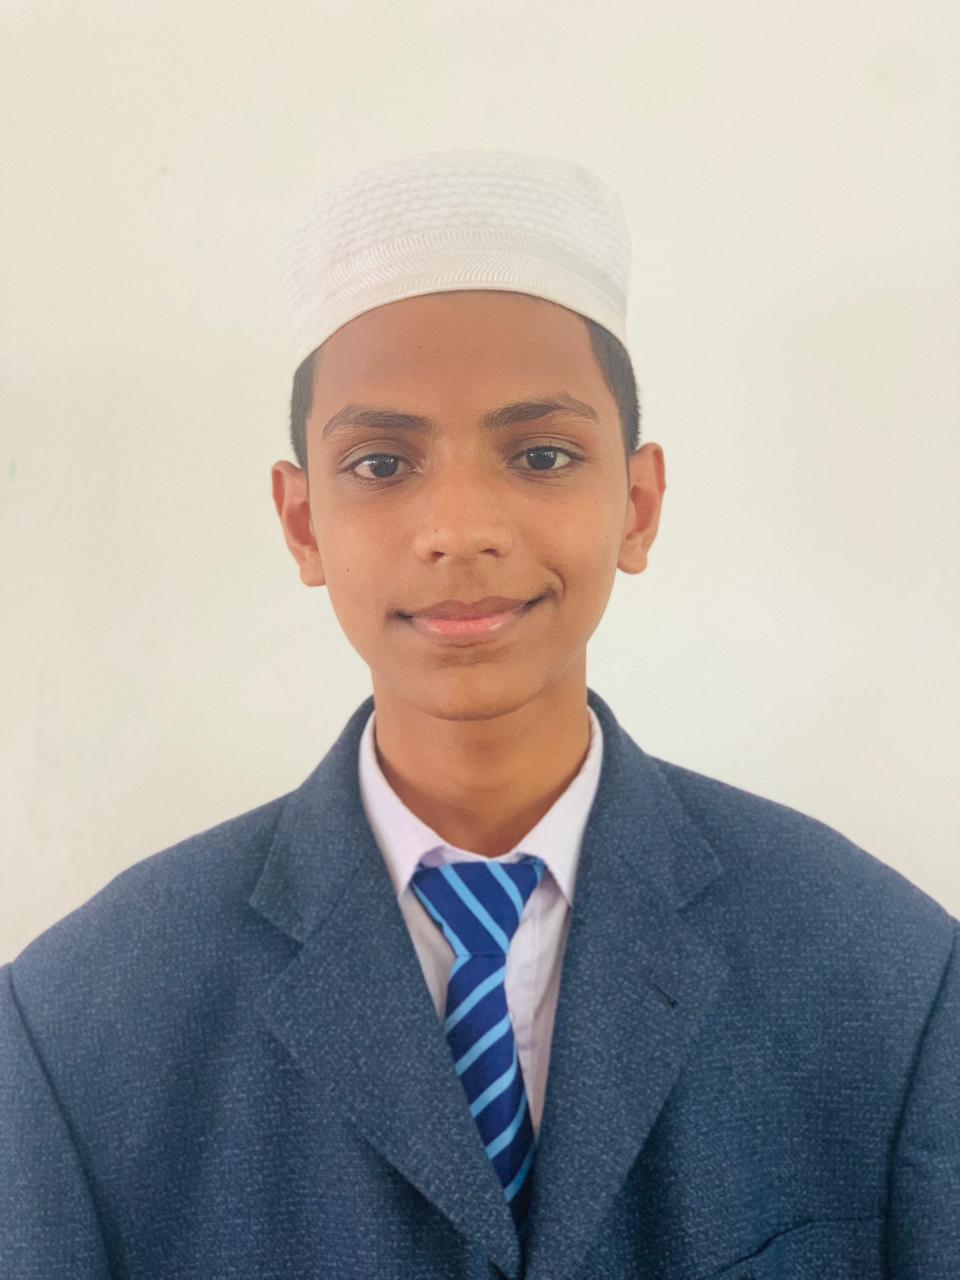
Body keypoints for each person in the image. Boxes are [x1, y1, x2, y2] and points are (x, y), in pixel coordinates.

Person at [1, 148, 957, 1280]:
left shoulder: (888, 981)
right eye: (382, 463)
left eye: (541, 454)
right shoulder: (79, 1028)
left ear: (637, 503)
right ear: (302, 523)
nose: (459, 527)